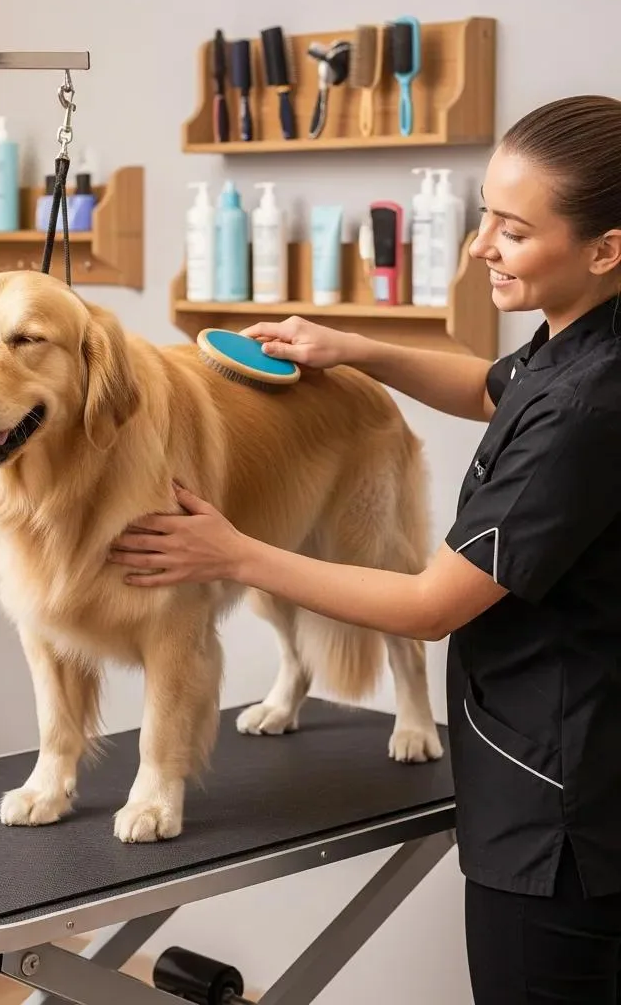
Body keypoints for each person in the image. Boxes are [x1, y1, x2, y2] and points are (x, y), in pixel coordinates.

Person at [109, 94, 621, 1004]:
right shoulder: (581, 342)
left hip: (560, 815)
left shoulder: (585, 411)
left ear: (605, 248)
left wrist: (235, 553)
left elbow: (429, 605)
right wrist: (352, 349)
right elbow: (488, 389)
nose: (480, 246)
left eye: (512, 231)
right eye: (483, 218)